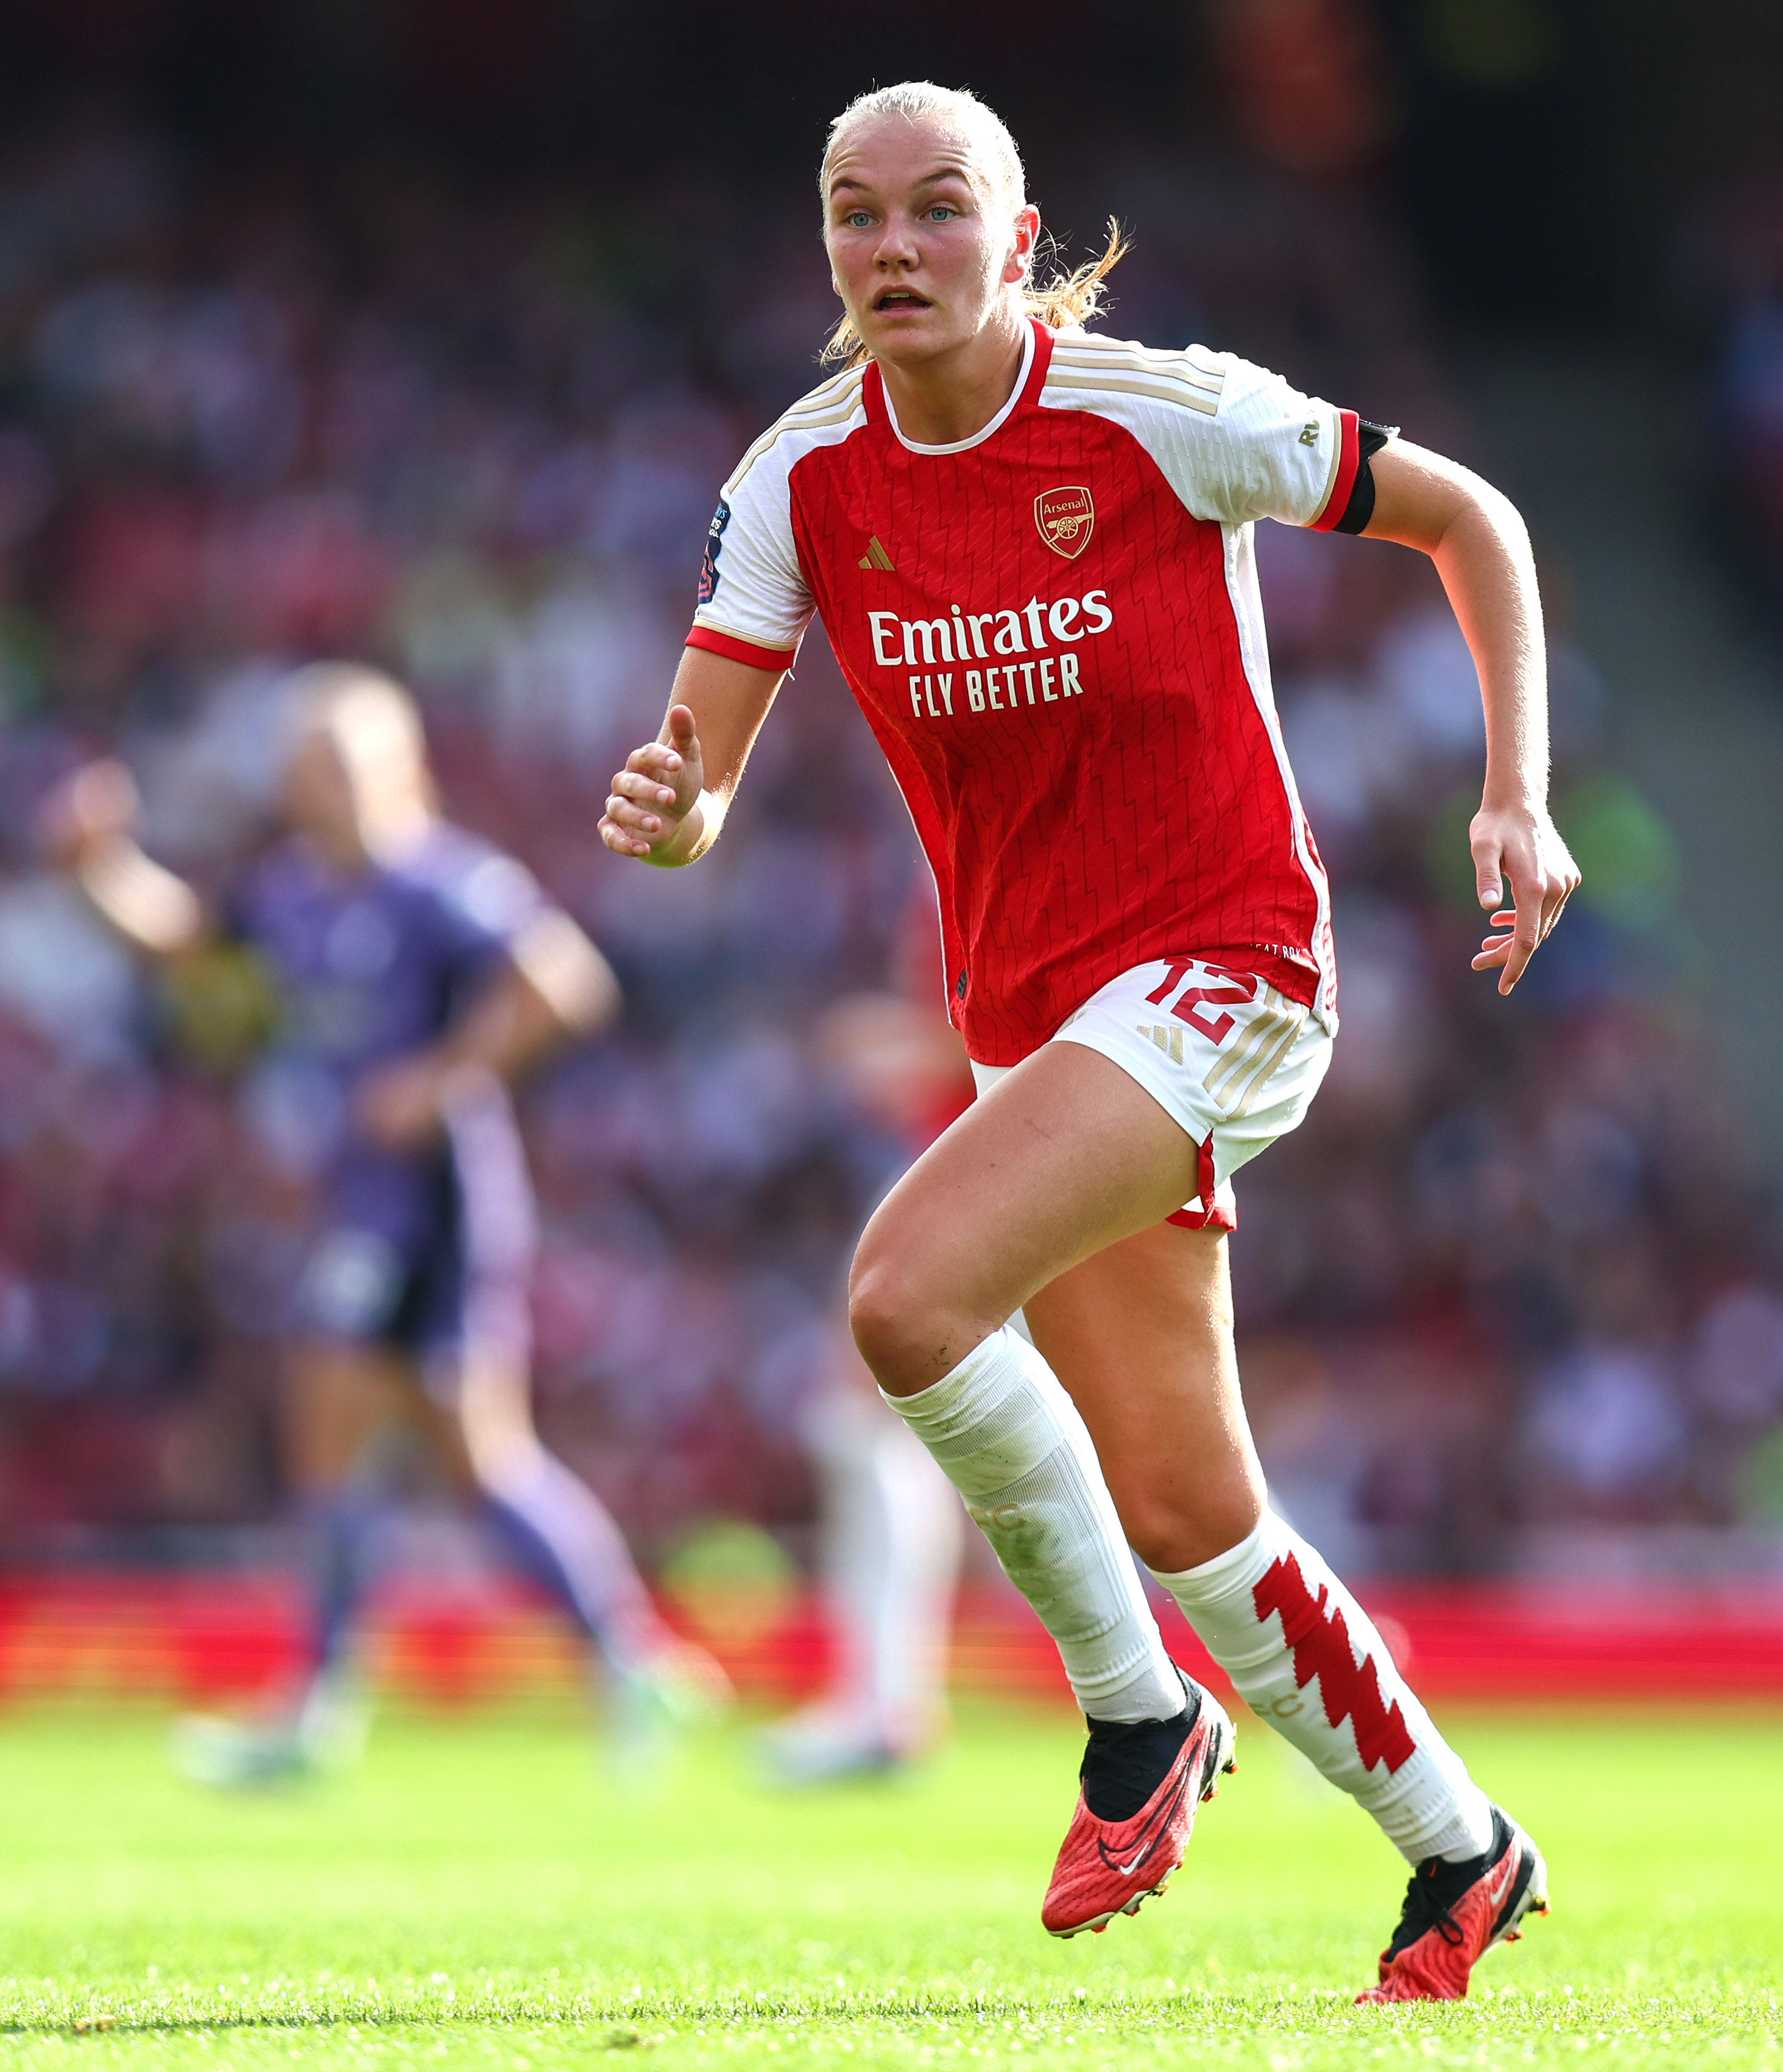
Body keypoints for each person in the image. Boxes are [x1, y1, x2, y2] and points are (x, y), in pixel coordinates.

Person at [596, 83, 1580, 2002]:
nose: (893, 249)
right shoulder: (797, 477)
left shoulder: (1159, 409)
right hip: (1036, 1023)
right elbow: (700, 761)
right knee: (1191, 1507)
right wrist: (673, 805)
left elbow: (1469, 515)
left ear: (1016, 234)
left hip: (1228, 969)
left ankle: (1134, 1720)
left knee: (898, 1300)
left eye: (937, 212)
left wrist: (1516, 793)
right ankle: (1458, 1849)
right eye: (854, 215)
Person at [44, 662, 726, 1783]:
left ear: (404, 770)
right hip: (369, 1203)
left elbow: (566, 983)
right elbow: (186, 940)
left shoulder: (441, 883)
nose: (333, 785)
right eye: (315, 767)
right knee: (467, 1464)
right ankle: (622, 1660)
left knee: (357, 1437)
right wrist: (99, 868)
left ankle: (321, 1707)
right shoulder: (296, 892)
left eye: (349, 763)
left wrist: (440, 1075)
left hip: (434, 1201)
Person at [758, 879, 976, 1786]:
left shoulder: (1001, 853)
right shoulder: (943, 868)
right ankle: (884, 1700)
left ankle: (884, 1704)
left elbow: (1040, 1035)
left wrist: (902, 1046)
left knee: (862, 1424)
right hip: (967, 1169)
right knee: (868, 1429)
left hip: (1004, 1175)